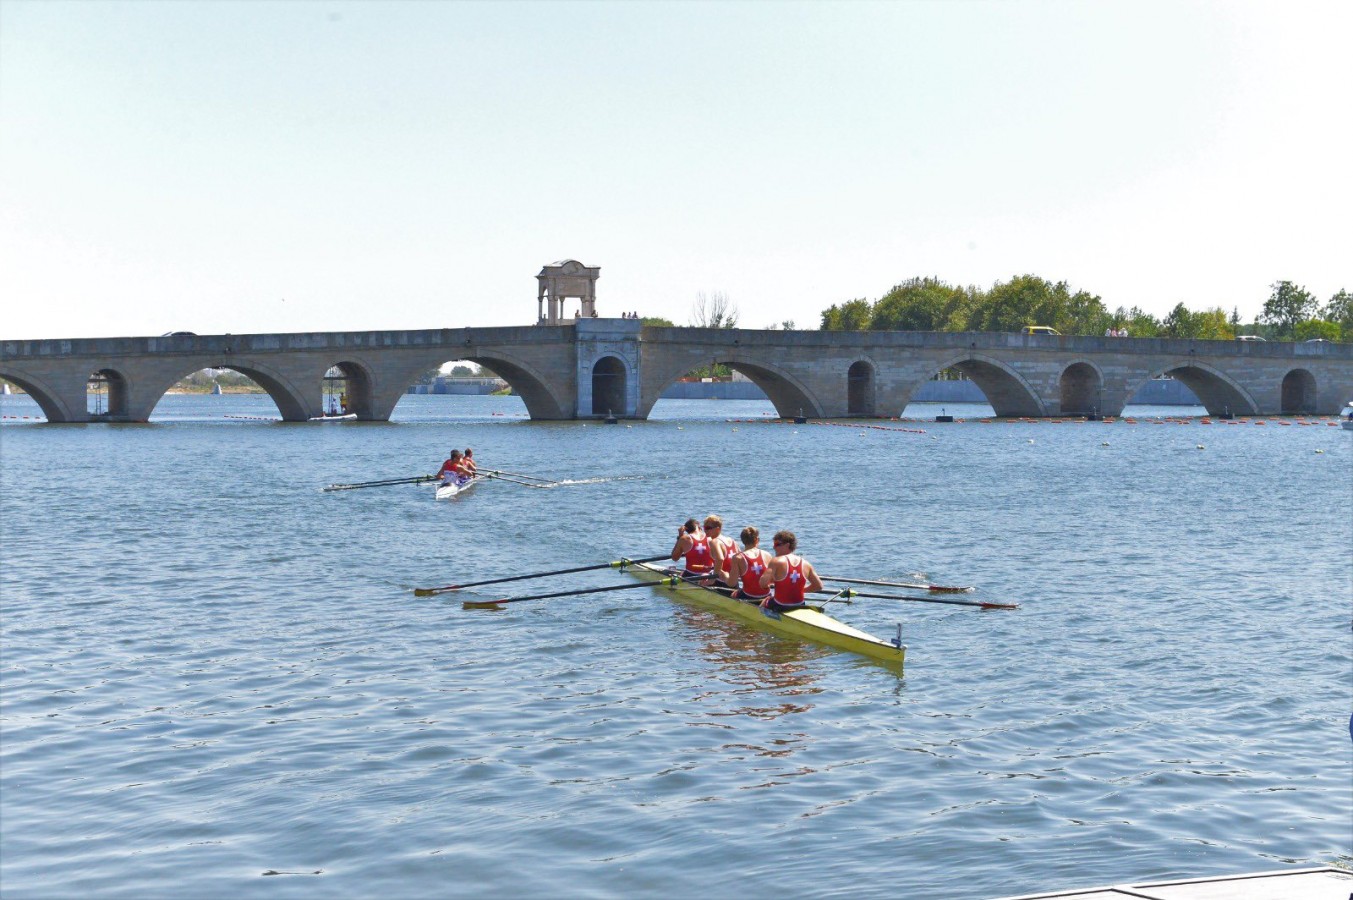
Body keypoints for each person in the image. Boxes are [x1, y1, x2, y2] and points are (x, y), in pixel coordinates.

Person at [758, 530, 824, 612]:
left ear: (787, 545)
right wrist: (801, 590)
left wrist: (767, 586)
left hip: (780, 605)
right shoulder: (806, 564)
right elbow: (818, 586)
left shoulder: (776, 561)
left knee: (766, 599)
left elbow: (763, 583)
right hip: (800, 605)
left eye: (777, 544)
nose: (774, 547)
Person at [722, 526, 772, 601]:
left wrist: (724, 575)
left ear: (742, 540)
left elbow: (732, 583)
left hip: (749, 596)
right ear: (757, 540)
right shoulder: (767, 555)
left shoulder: (737, 558)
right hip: (766, 595)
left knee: (733, 594)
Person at [703, 515, 737, 586]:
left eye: (708, 528)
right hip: (733, 581)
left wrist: (712, 579)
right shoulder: (731, 540)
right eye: (704, 527)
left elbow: (720, 559)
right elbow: (740, 557)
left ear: (717, 529)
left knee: (702, 580)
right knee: (704, 574)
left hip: (720, 582)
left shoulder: (714, 541)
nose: (705, 530)